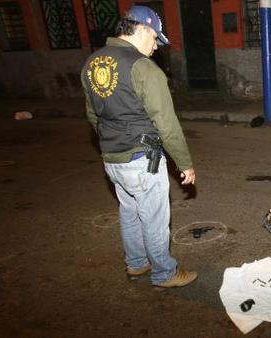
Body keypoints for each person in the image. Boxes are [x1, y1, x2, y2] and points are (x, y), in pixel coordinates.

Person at [81, 6, 197, 288]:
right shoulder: (143, 68)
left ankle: (136, 264)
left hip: (112, 158)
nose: (156, 46)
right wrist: (185, 164)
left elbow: (92, 114)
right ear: (142, 29)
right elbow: (166, 124)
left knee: (130, 211)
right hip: (141, 158)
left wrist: (112, 140)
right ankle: (164, 273)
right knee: (155, 217)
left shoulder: (92, 63)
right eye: (155, 38)